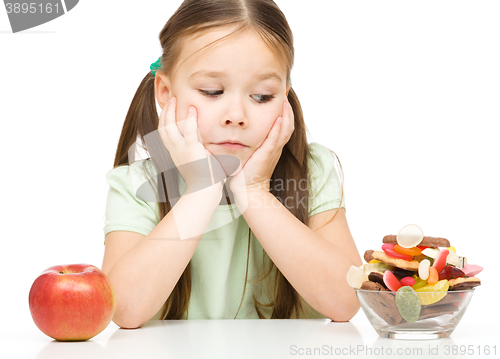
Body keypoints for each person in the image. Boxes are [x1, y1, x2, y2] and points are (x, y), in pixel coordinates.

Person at [101, 0, 362, 328]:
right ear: (166, 92)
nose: (236, 116)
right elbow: (122, 308)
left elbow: (347, 300)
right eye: (212, 91)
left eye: (262, 96)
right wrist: (201, 189)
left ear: (285, 97)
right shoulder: (138, 184)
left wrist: (254, 192)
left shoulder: (312, 170)